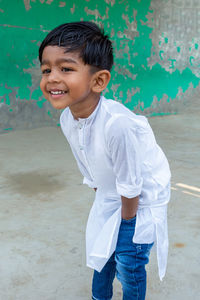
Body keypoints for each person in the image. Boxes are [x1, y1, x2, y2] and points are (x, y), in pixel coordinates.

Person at [39, 21, 171, 300]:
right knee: (101, 253)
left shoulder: (118, 126)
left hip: (141, 201)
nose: (51, 78)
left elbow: (132, 184)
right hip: (115, 194)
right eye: (46, 69)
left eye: (65, 68)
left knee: (129, 262)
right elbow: (90, 168)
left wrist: (125, 224)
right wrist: (104, 206)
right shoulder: (67, 119)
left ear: (99, 80)